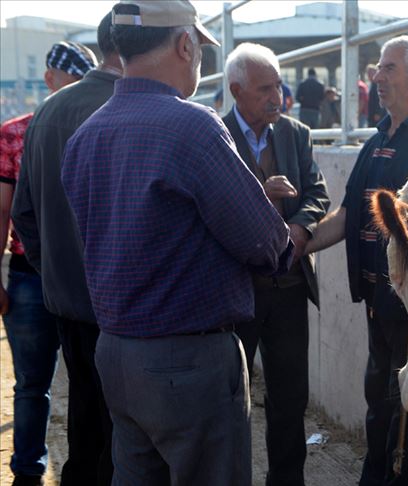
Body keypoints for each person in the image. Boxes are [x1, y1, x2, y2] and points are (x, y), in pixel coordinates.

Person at [59, 2, 294, 484]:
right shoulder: (193, 125)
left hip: (117, 352)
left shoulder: (86, 135)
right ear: (186, 45)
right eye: (199, 47)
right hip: (188, 363)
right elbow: (266, 244)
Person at [305, 35, 408, 486]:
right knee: (379, 400)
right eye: (379, 67)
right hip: (378, 301)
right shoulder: (376, 139)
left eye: (388, 67)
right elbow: (347, 213)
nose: (377, 76)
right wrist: (297, 242)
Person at [222, 42, 330, 486]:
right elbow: (213, 208)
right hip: (237, 292)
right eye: (265, 88)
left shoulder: (296, 134)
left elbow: (318, 194)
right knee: (231, 401)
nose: (276, 97)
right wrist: (259, 199)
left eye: (279, 86)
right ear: (235, 90)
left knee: (290, 399)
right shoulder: (215, 135)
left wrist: (300, 233)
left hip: (287, 287)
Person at [9, 30, 111, 486]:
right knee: (41, 388)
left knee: (84, 399)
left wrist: (52, 269)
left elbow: (21, 212)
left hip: (63, 287)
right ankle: (34, 470)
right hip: (62, 285)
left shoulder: (46, 118)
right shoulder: (15, 132)